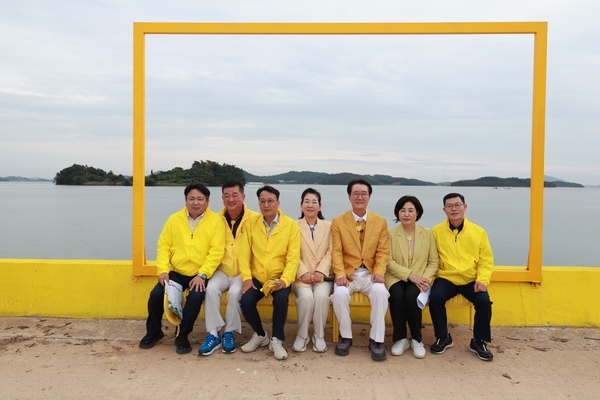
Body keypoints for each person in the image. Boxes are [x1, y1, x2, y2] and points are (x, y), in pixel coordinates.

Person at [139, 183, 225, 354]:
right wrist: (162, 270)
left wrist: (202, 274)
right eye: (191, 198)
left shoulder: (216, 221)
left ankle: (182, 335)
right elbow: (163, 245)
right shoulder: (174, 219)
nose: (195, 202)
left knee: (195, 297)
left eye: (200, 199)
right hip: (176, 272)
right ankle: (154, 331)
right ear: (185, 200)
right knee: (156, 295)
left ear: (207, 201)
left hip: (200, 273)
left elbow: (217, 251)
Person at [429, 193, 495, 361]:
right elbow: (430, 258)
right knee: (435, 298)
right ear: (444, 210)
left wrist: (482, 280)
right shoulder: (435, 232)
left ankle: (479, 341)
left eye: (457, 205)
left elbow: (486, 259)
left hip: (471, 278)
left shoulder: (479, 232)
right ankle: (443, 336)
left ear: (465, 207)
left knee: (484, 302)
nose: (454, 209)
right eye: (449, 206)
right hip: (446, 278)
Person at [238, 185, 301, 360]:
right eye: (262, 201)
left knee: (281, 300)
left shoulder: (290, 226)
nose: (266, 205)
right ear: (259, 203)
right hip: (257, 276)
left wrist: (286, 279)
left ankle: (277, 339)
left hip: (279, 276)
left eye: (270, 201)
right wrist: (247, 278)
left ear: (278, 202)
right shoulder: (251, 224)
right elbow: (243, 254)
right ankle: (260, 335)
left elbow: (293, 257)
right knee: (246, 300)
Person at [330, 179, 390, 361]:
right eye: (355, 193)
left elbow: (383, 251)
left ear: (369, 197)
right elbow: (336, 251)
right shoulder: (338, 221)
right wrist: (339, 274)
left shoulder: (380, 222)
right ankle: (346, 336)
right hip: (348, 274)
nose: (359, 197)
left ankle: (376, 339)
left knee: (381, 292)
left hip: (371, 273)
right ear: (349, 197)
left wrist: (379, 271)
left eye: (364, 193)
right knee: (339, 295)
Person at [197, 181, 258, 356]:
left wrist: (248, 274)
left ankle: (229, 333)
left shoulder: (254, 219)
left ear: (243, 197)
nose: (230, 199)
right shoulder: (215, 219)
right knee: (211, 289)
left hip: (243, 271)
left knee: (234, 293)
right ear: (222, 197)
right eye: (226, 195)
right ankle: (213, 334)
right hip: (222, 269)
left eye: (235, 195)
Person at [385, 195, 439, 359]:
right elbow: (388, 261)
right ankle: (400, 339)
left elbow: (433, 261)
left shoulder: (428, 234)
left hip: (421, 277)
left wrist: (425, 279)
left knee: (411, 297)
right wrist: (410, 276)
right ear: (397, 213)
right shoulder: (390, 233)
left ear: (417, 213)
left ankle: (417, 339)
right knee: (397, 296)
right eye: (402, 210)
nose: (406, 214)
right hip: (395, 276)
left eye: (410, 210)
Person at [292, 188, 332, 353]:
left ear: (320, 206)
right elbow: (291, 253)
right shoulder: (293, 226)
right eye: (306, 201)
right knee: (307, 298)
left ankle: (319, 335)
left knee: (322, 296)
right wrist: (303, 272)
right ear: (301, 205)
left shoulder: (329, 226)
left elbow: (332, 251)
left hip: (323, 276)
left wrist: (322, 271)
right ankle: (302, 335)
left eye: (314, 202)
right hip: (301, 276)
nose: (310, 205)